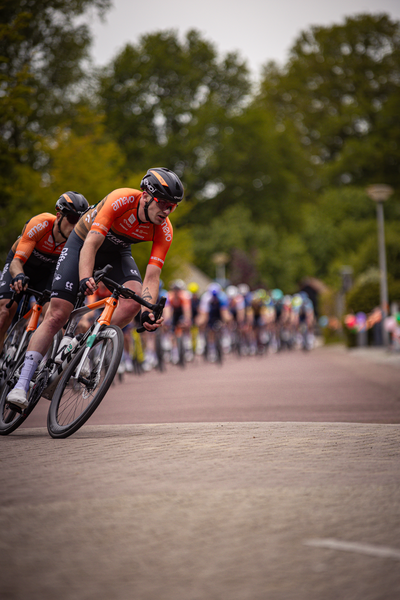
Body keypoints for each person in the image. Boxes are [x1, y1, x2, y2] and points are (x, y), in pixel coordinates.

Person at [7, 167, 184, 408]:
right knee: (58, 313)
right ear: (145, 196)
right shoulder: (120, 199)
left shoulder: (165, 229)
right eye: (162, 203)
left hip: (117, 251)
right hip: (82, 243)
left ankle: (82, 343)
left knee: (133, 302)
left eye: (171, 206)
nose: (166, 211)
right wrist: (85, 278)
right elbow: (90, 244)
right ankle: (22, 383)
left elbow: (152, 276)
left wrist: (147, 311)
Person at [0, 192, 89, 354]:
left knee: (55, 317)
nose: (76, 226)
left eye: (80, 221)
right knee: (4, 312)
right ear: (58, 216)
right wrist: (19, 276)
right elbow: (16, 262)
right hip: (22, 267)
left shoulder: (78, 240)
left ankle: (37, 365)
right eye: (72, 219)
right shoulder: (40, 224)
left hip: (47, 275)